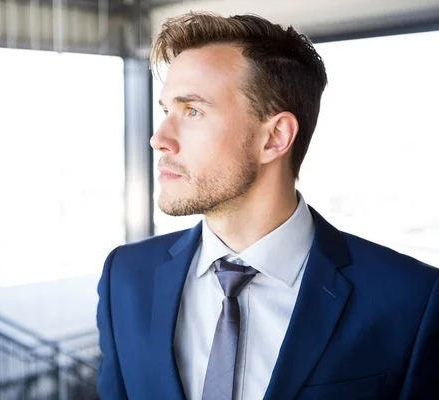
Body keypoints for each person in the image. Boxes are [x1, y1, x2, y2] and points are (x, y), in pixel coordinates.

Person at [96, 11, 439, 400]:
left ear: (275, 137)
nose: (159, 139)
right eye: (165, 111)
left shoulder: (410, 300)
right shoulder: (124, 277)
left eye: (192, 111)